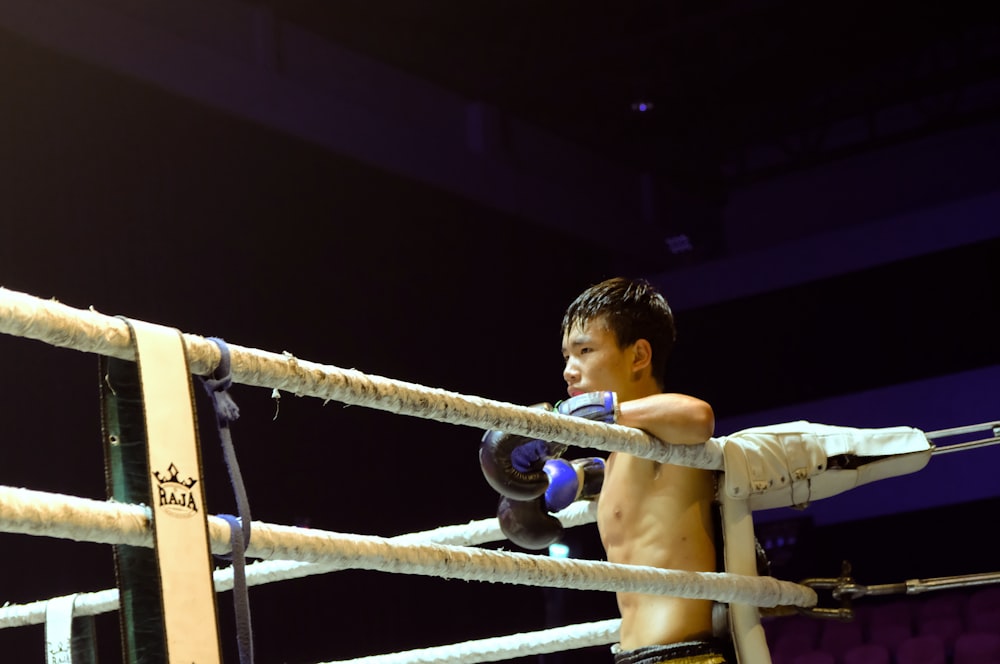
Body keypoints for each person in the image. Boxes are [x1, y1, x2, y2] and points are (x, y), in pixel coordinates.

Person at [480, 277, 728, 664]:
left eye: (585, 350)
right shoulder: (616, 460)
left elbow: (700, 417)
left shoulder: (674, 441)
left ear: (639, 356)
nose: (569, 371)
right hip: (634, 655)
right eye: (566, 356)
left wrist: (582, 414)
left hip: (683, 656)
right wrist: (538, 489)